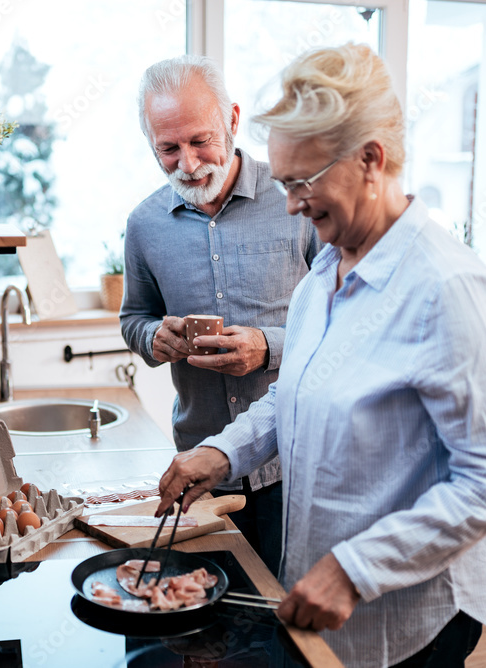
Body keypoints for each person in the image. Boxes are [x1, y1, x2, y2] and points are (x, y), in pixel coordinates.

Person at [155, 44, 486, 668]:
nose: (293, 204)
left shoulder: (446, 288)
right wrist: (222, 452)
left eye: (303, 182)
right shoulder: (326, 270)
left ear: (371, 160)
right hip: (324, 602)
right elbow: (293, 391)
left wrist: (355, 570)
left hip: (410, 619)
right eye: (282, 184)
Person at [120, 55, 320, 574]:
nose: (187, 163)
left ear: (232, 119)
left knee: (289, 628)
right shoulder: (143, 225)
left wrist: (268, 347)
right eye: (168, 148)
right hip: (200, 463)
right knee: (213, 628)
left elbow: (347, 328)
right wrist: (152, 339)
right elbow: (134, 318)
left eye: (199, 140)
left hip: (293, 467)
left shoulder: (296, 200)